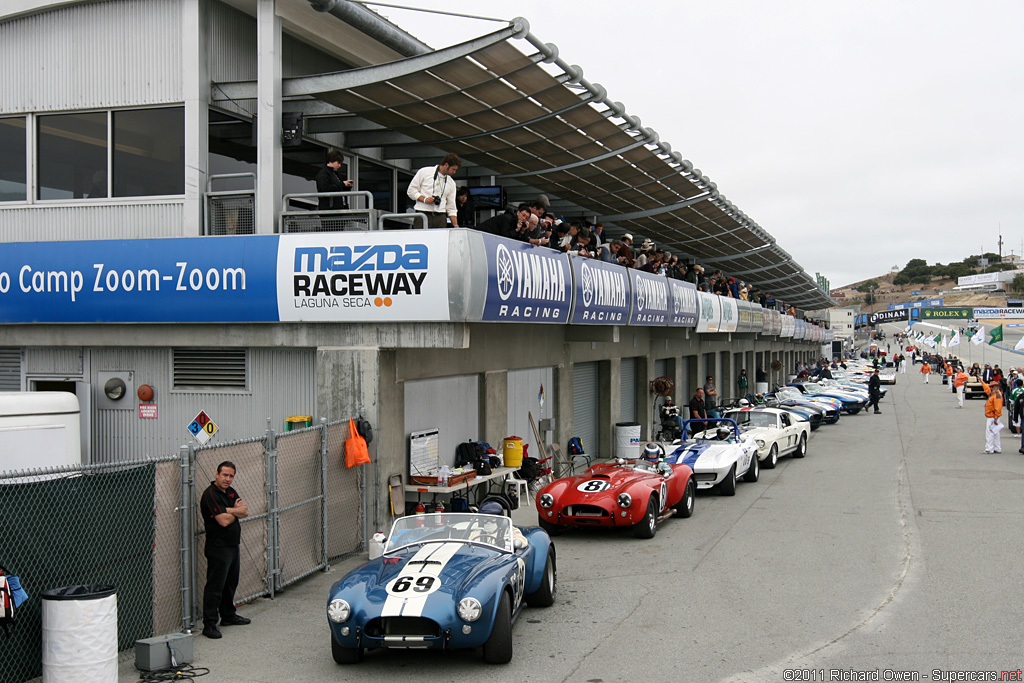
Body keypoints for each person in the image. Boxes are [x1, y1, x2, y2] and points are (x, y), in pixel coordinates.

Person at [200, 461, 250, 639]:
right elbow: (223, 521)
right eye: (225, 475)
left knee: (231, 582)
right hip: (218, 548)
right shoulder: (210, 494)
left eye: (231, 476)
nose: (228, 479)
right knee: (215, 586)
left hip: (232, 545)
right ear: (217, 474)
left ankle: (228, 615)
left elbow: (244, 511)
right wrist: (233, 510)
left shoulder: (230, 492)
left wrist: (229, 510)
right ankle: (210, 624)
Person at [406, 153, 461, 228]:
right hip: (423, 214)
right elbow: (411, 190)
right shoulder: (425, 172)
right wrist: (424, 199)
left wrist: (456, 225)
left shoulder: (451, 183)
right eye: (453, 169)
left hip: (441, 217)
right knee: (421, 239)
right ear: (446, 165)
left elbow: (451, 207)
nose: (454, 172)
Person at [315, 150, 354, 228]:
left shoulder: (335, 174)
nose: (339, 165)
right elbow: (324, 189)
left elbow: (338, 189)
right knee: (331, 233)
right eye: (338, 163)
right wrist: (342, 184)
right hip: (329, 211)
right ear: (332, 161)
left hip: (339, 210)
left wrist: (346, 187)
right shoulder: (323, 174)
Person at [982, 379, 1004, 454]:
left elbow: (998, 407)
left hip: (992, 416)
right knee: (995, 432)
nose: (990, 388)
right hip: (994, 416)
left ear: (996, 387)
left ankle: (989, 448)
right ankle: (997, 447)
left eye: (992, 387)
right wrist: (982, 381)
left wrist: (996, 418)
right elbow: (986, 389)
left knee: (989, 433)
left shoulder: (997, 395)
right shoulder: (994, 394)